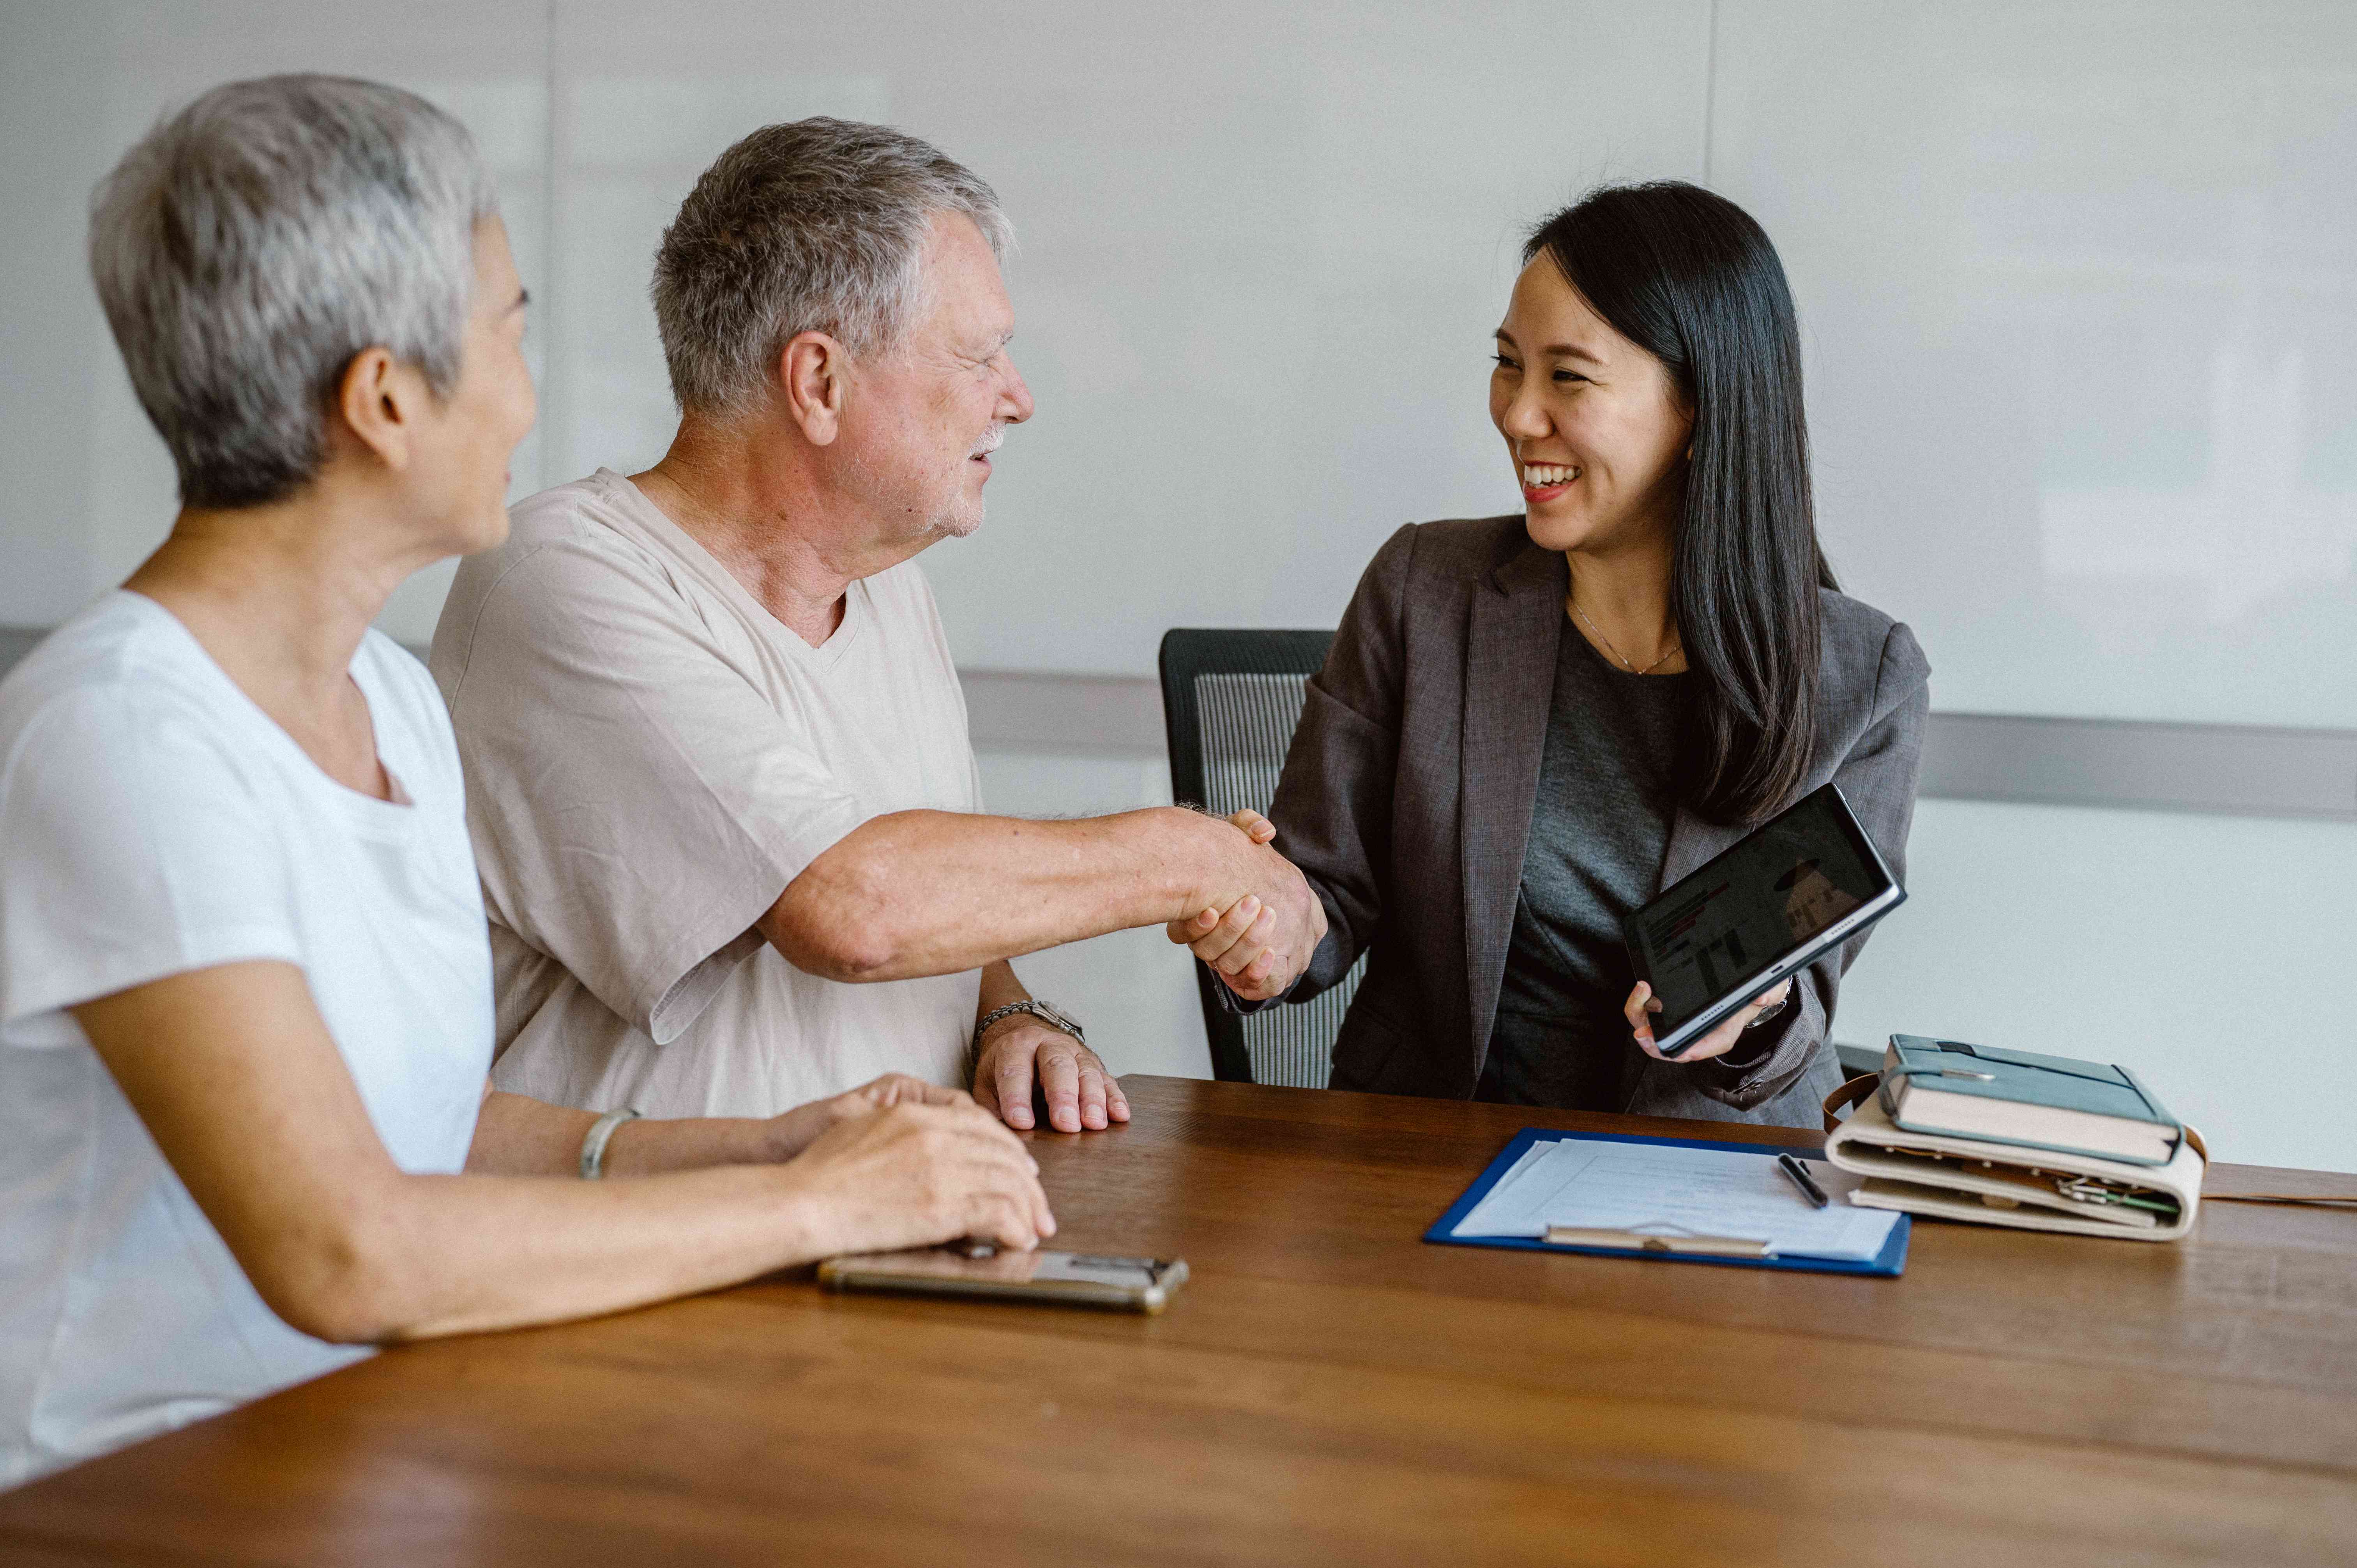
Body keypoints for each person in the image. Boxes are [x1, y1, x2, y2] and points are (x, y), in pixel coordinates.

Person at [0, 76, 1054, 1489]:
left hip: (370, 1449)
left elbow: (434, 1125)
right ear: (381, 399)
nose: (528, 396)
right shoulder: (127, 738)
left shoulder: (389, 703)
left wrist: (759, 1142)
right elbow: (352, 1246)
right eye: (507, 331)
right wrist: (810, 1199)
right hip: (134, 1493)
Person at [429, 119, 1320, 1135]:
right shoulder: (560, 579)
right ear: (819, 382)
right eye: (980, 356)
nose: (1017, 399)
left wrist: (1009, 1014)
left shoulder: (889, 583)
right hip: (660, 1258)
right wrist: (1196, 858)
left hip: (895, 1221)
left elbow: (938, 888)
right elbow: (850, 907)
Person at [1192, 182, 1930, 1127]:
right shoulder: (1426, 587)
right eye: (1508, 365)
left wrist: (1750, 1018)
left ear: (1700, 405)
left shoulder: (1863, 679)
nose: (1516, 414)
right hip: (1428, 1151)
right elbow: (1324, 888)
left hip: (1698, 1185)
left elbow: (1800, 1007)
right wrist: (1274, 928)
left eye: (1568, 377)